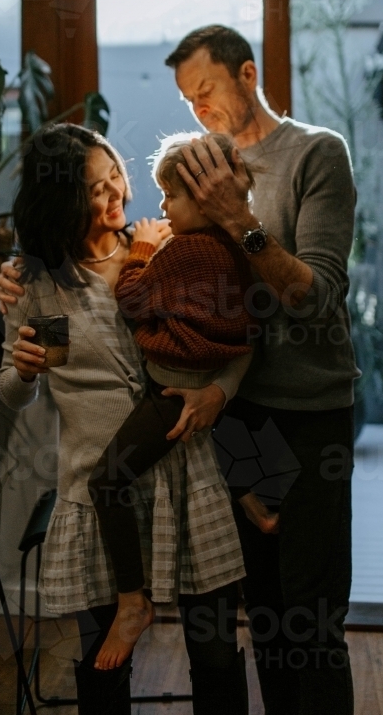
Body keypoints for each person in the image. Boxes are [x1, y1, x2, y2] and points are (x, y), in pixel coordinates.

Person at [0, 25, 359, 715]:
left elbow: (305, 304)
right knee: (263, 619)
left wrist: (234, 220)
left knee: (303, 621)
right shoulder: (180, 180)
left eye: (206, 91)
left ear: (246, 75)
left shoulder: (309, 157)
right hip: (208, 432)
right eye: (186, 98)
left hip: (290, 419)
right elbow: (102, 306)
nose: (197, 109)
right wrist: (17, 288)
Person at [0, 122, 249, 715]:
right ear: (61, 200)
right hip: (95, 491)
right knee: (103, 669)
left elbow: (233, 340)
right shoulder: (36, 285)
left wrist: (219, 392)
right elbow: (12, 393)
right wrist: (25, 371)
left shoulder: (165, 247)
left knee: (215, 653)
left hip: (186, 478)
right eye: (97, 189)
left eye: (118, 177)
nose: (119, 195)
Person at [91, 132, 277, 672]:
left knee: (107, 479)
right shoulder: (232, 246)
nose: (163, 208)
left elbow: (131, 300)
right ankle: (255, 499)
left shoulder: (189, 250)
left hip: (170, 388)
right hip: (206, 384)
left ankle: (133, 600)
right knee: (214, 441)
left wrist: (144, 249)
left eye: (170, 197)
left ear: (202, 196)